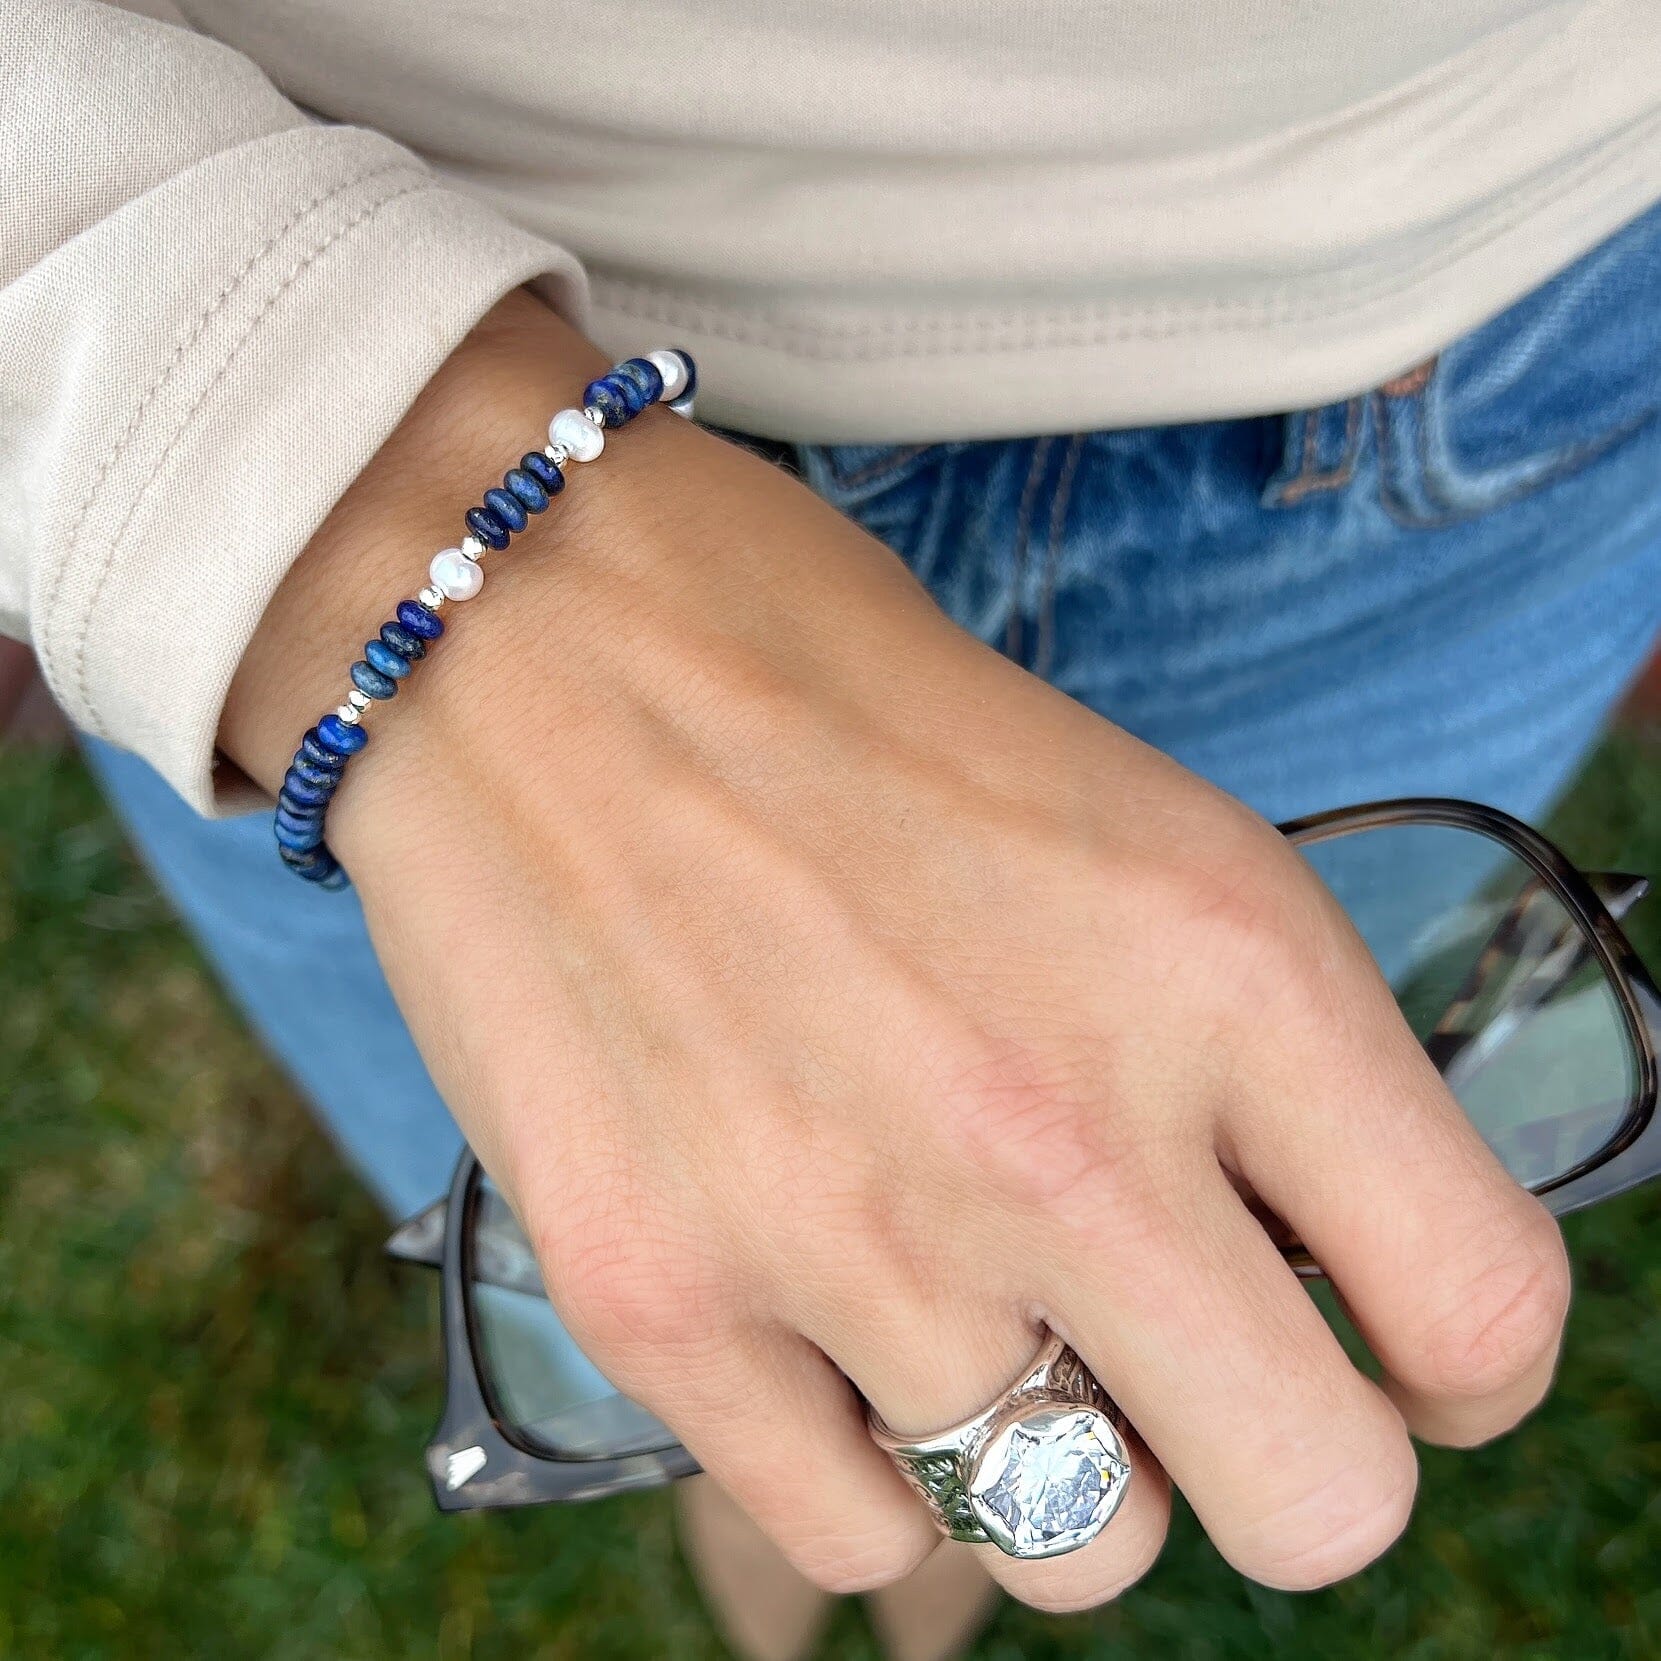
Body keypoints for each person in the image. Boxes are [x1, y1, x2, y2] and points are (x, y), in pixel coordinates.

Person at [6, 3, 1661, 1657]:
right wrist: (259, 446)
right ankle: (768, 1436)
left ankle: (898, 1432)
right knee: (610, 1239)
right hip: (315, 416)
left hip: (1484, 342)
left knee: (1205, 1183)